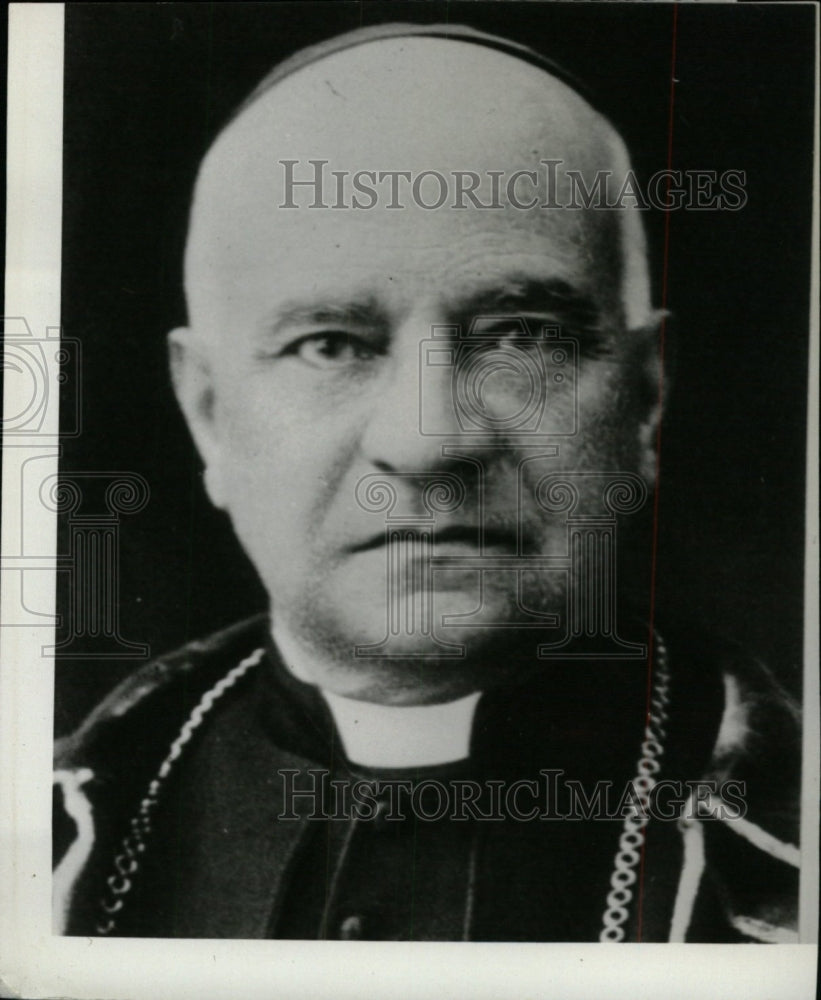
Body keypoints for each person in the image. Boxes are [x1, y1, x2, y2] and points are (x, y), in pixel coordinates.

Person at [53, 23, 800, 943]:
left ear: (645, 396)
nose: (428, 441)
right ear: (208, 414)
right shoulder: (50, 843)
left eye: (520, 334)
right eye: (330, 344)